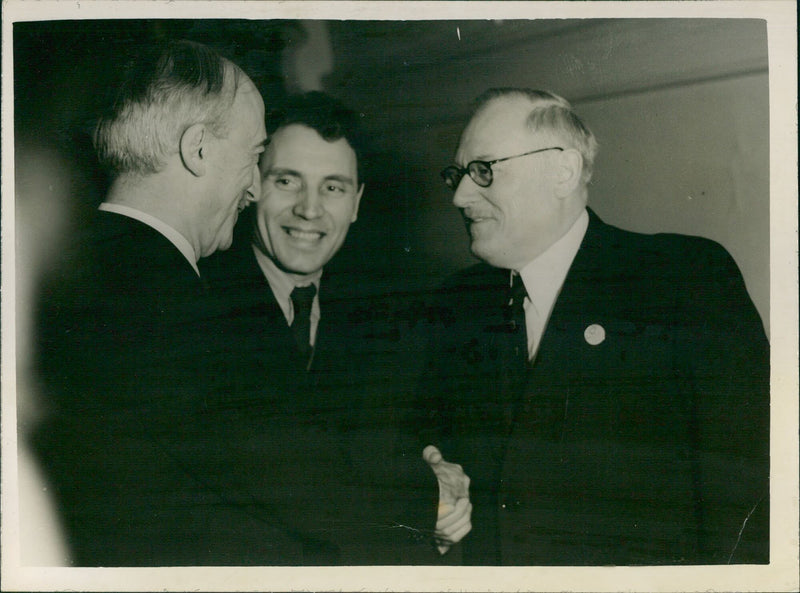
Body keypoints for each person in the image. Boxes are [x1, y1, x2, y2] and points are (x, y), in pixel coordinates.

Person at [419, 88, 769, 565]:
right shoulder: (455, 306)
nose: (460, 195)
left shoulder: (681, 279)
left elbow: (750, 495)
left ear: (562, 171)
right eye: (456, 175)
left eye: (484, 170)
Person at [200, 91, 471, 564]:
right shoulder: (198, 301)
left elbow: (414, 447)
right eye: (287, 181)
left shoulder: (393, 318)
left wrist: (440, 479)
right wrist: (426, 500)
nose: (310, 209)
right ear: (252, 185)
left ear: (357, 202)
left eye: (333, 187)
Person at [31, 39, 274, 565]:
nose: (256, 188)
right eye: (254, 156)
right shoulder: (186, 315)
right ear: (199, 148)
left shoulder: (48, 279)